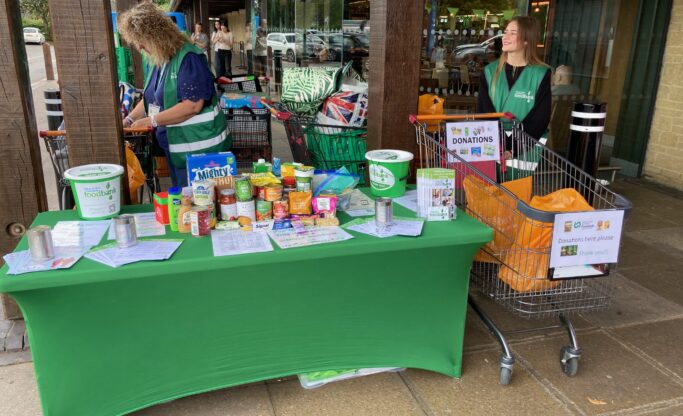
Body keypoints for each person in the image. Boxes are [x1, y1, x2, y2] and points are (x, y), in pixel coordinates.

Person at [119, 3, 229, 188]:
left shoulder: (189, 58)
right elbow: (150, 100)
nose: (139, 46)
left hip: (201, 150)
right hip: (176, 146)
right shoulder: (157, 59)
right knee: (184, 203)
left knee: (200, 205)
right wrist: (129, 119)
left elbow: (192, 106)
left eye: (142, 40)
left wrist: (151, 121)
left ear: (158, 37)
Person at [477, 16, 551, 158]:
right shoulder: (489, 72)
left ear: (526, 39)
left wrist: (513, 149)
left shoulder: (541, 74)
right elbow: (484, 112)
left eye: (513, 33)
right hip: (492, 147)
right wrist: (499, 145)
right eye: (505, 32)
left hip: (526, 150)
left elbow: (540, 117)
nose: (505, 36)